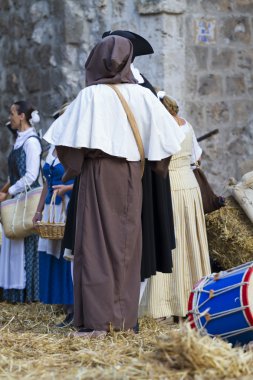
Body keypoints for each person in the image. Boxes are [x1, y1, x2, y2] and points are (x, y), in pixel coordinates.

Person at [43, 35, 185, 337]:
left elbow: (63, 143)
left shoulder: (90, 95)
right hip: (133, 177)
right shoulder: (145, 96)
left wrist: (75, 165)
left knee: (93, 246)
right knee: (127, 247)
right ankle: (121, 320)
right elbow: (172, 138)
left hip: (97, 175)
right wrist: (151, 163)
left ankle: (97, 320)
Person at [102, 31, 176, 298]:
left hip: (141, 171)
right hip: (113, 170)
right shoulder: (103, 88)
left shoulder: (142, 88)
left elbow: (165, 134)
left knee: (142, 234)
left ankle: (129, 305)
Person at [139, 93, 211, 320]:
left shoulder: (162, 128)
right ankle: (195, 300)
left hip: (171, 187)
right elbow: (197, 156)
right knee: (191, 242)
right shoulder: (186, 125)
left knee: (173, 243)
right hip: (190, 186)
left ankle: (168, 304)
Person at [0, 101, 42, 302]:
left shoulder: (32, 142)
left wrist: (11, 192)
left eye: (12, 114)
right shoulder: (20, 140)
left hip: (26, 200)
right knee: (12, 240)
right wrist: (5, 190)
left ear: (22, 116)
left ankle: (27, 294)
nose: (10, 118)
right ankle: (13, 292)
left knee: (24, 241)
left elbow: (31, 175)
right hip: (16, 198)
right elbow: (14, 175)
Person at [32, 142, 74, 325]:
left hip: (66, 205)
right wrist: (38, 210)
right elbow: (46, 184)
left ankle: (73, 308)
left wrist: (67, 189)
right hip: (51, 208)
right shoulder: (51, 151)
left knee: (65, 255)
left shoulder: (73, 148)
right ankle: (63, 304)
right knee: (52, 254)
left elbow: (84, 178)